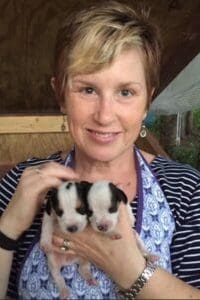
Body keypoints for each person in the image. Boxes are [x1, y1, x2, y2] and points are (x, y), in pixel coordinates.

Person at [0, 1, 200, 299]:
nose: (105, 115)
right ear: (61, 95)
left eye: (125, 92)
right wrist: (7, 230)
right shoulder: (23, 183)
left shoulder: (185, 190)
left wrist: (131, 271)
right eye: (88, 90)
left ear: (148, 101)